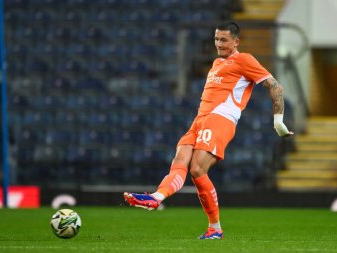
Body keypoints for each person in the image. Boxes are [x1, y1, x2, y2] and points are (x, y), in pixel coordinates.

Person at [123, 21, 294, 240]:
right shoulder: (216, 63)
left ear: (236, 41)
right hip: (200, 120)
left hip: (220, 119)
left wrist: (278, 122)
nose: (219, 44)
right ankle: (156, 197)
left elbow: (275, 85)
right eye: (216, 39)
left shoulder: (244, 59)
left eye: (224, 40)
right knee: (180, 160)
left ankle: (215, 228)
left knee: (197, 169)